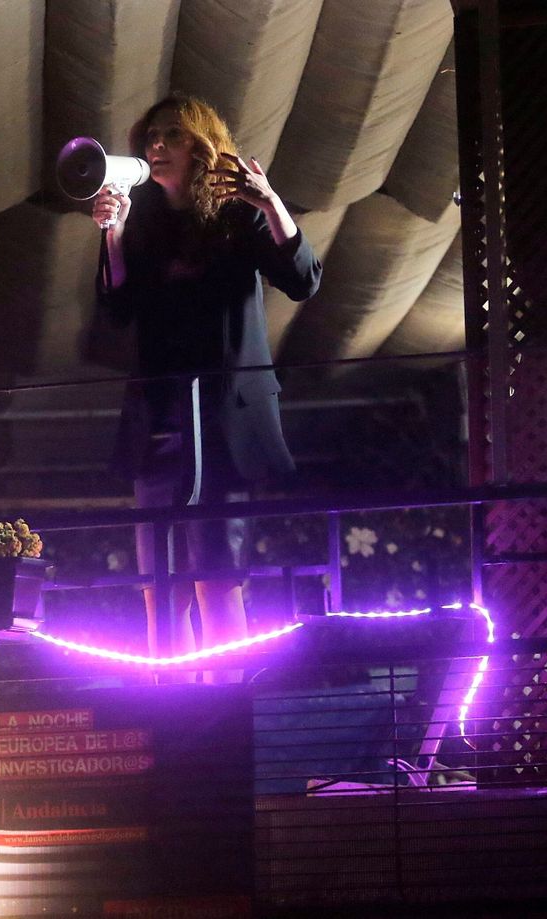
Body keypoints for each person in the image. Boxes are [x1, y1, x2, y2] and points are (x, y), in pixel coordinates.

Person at [92, 93, 322, 669]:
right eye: (150, 138)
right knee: (157, 585)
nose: (157, 147)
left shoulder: (236, 215)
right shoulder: (141, 218)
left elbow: (303, 280)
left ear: (202, 145)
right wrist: (112, 234)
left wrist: (269, 203)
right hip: (160, 419)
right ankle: (172, 707)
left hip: (223, 422)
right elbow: (117, 311)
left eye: (171, 135)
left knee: (216, 577)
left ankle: (224, 704)